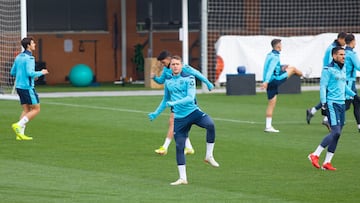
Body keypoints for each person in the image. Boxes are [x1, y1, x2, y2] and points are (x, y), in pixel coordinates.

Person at [148, 55, 219, 185]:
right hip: (179, 118)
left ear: (181, 65)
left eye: (177, 64)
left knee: (210, 124)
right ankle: (182, 178)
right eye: (173, 64)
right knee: (179, 147)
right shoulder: (168, 81)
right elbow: (165, 99)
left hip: (193, 112)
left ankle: (209, 155)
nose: (175, 66)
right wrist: (156, 113)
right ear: (170, 66)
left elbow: (190, 97)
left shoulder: (188, 78)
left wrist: (208, 83)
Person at [151, 50, 214, 155]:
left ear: (168, 59)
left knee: (173, 122)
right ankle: (188, 147)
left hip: (186, 101)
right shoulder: (166, 71)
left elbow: (196, 73)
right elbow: (161, 81)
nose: (163, 64)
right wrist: (154, 78)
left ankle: (165, 147)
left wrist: (207, 83)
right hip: (175, 100)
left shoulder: (183, 68)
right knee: (177, 124)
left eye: (163, 62)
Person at [308, 46, 356, 171]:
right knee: (336, 132)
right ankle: (315, 154)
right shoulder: (327, 69)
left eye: (344, 55)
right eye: (341, 55)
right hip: (332, 104)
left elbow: (343, 86)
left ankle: (327, 162)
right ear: (334, 56)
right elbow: (323, 87)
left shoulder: (344, 68)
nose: (343, 57)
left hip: (342, 104)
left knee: (337, 135)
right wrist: (323, 103)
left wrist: (355, 96)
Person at [261, 39, 305, 132]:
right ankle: (305, 75)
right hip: (274, 80)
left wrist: (281, 67)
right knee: (292, 69)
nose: (282, 46)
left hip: (270, 81)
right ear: (278, 46)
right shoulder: (275, 57)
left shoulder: (270, 55)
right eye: (281, 44)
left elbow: (269, 68)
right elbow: (270, 70)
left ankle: (268, 126)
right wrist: (266, 81)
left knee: (271, 104)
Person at [306, 32, 347, 131]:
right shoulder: (333, 50)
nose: (345, 43)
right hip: (331, 76)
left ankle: (313, 111)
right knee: (332, 97)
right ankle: (325, 118)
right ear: (340, 39)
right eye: (345, 40)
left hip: (332, 76)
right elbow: (331, 64)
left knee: (331, 97)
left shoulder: (334, 47)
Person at [10, 37, 49, 140]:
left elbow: (13, 72)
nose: (34, 44)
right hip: (27, 87)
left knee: (26, 109)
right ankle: (18, 125)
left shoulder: (18, 57)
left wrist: (28, 76)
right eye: (33, 43)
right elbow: (30, 73)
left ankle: (20, 134)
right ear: (28, 45)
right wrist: (41, 72)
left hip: (19, 87)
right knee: (36, 109)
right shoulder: (30, 58)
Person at [344, 34, 360, 132]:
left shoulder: (343, 52)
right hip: (349, 82)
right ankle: (328, 118)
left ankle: (359, 125)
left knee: (357, 103)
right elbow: (358, 66)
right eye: (355, 41)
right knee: (346, 104)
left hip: (348, 81)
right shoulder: (351, 54)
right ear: (352, 41)